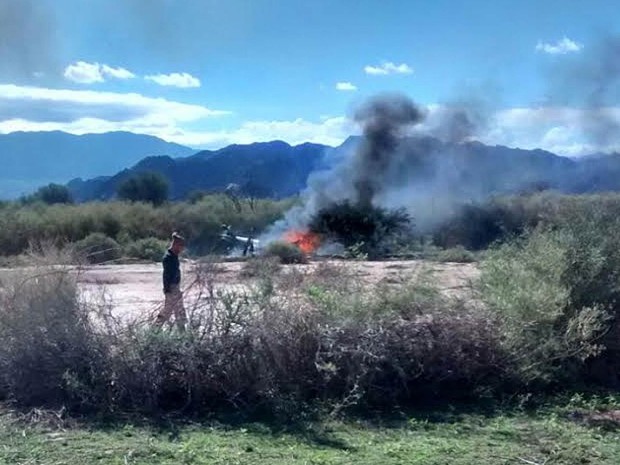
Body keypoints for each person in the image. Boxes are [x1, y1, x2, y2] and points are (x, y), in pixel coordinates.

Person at [155, 232, 187, 330]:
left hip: (175, 287)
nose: (182, 250)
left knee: (179, 311)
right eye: (181, 247)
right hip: (171, 288)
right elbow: (166, 275)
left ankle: (182, 333)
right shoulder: (168, 258)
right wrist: (169, 290)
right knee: (169, 311)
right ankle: (155, 329)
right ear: (176, 245)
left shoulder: (174, 256)